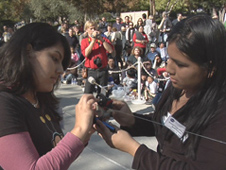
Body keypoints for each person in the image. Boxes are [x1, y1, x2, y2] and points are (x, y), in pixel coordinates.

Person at [95, 14, 226, 169]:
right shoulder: (178, 86)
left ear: (210, 68)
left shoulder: (220, 115)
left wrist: (134, 150)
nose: (169, 69)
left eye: (180, 64)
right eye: (169, 59)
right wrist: (132, 120)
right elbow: (166, 123)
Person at [0, 23, 98, 169]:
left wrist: (86, 132)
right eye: (54, 58)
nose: (60, 70)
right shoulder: (4, 102)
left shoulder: (41, 100)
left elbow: (56, 157)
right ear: (28, 51)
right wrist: (79, 131)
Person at [81, 21, 113, 94]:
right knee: (88, 94)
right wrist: (93, 40)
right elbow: (86, 53)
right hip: (91, 71)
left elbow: (110, 50)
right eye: (91, 29)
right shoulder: (84, 41)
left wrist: (101, 39)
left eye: (95, 28)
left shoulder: (103, 39)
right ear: (86, 30)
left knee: (103, 94)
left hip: (103, 70)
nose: (93, 30)